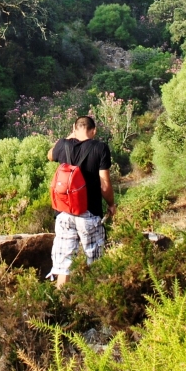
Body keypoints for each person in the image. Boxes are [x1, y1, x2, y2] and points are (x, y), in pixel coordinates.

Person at [46, 115, 115, 286]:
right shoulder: (100, 148)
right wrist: (111, 204)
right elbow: (104, 184)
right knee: (95, 263)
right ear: (94, 131)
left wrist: (69, 136)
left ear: (74, 128)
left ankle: (60, 304)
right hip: (89, 214)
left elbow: (50, 155)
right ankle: (95, 302)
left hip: (64, 214)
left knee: (63, 266)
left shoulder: (63, 145)